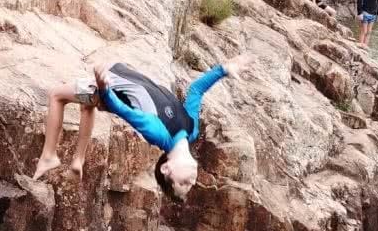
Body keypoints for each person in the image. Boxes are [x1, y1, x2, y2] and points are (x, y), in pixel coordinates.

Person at [32, 54, 252, 202]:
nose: (193, 179)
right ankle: (78, 160)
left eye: (184, 182)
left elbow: (123, 110)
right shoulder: (192, 129)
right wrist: (223, 69)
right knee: (86, 107)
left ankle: (49, 155)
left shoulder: (157, 133)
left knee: (57, 95)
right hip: (111, 81)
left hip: (108, 87)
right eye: (190, 183)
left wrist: (103, 88)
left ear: (167, 169)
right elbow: (195, 91)